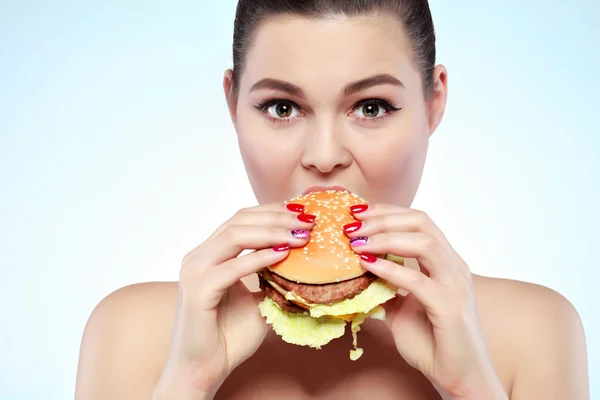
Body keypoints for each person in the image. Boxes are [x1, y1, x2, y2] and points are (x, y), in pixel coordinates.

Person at [74, 0, 589, 399]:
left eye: (371, 106)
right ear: (232, 106)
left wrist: (473, 387)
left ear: (434, 103)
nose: (324, 157)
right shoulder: (132, 333)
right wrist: (186, 381)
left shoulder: (534, 332)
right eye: (281, 107)